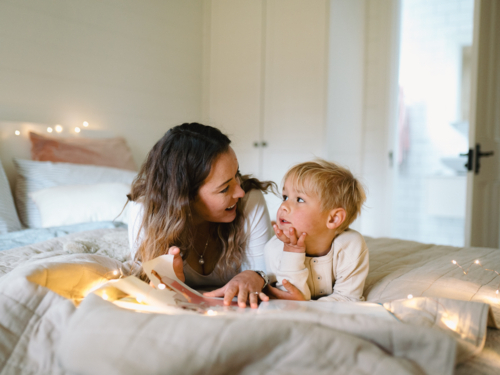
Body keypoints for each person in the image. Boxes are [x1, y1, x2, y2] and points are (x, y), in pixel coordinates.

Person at [127, 123, 275, 308]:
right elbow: (145, 282)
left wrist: (255, 276)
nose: (240, 192)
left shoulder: (250, 200)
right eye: (224, 189)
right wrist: (171, 282)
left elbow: (264, 271)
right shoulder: (145, 208)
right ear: (185, 197)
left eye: (236, 174)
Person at [264, 159, 368, 302]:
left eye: (299, 199)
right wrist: (292, 253)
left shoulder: (350, 246)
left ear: (333, 219)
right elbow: (291, 296)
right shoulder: (273, 249)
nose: (283, 206)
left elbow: (348, 298)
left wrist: (308, 304)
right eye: (285, 197)